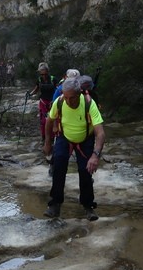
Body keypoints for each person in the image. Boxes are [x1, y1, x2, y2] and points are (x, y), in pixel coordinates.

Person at [43, 76, 105, 221]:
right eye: (66, 97)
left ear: (79, 94)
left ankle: (88, 206)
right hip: (65, 137)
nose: (68, 101)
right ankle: (55, 204)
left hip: (85, 139)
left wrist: (95, 156)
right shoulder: (59, 102)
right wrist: (47, 142)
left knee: (85, 171)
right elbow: (49, 121)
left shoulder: (89, 104)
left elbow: (100, 133)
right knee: (58, 166)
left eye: (72, 98)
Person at [28, 62, 57, 139]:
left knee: (52, 119)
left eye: (45, 74)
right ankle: (44, 137)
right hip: (43, 102)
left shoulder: (53, 79)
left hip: (52, 102)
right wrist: (30, 94)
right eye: (41, 74)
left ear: (47, 71)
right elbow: (36, 89)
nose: (43, 76)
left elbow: (57, 90)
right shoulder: (39, 80)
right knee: (43, 121)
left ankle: (53, 136)